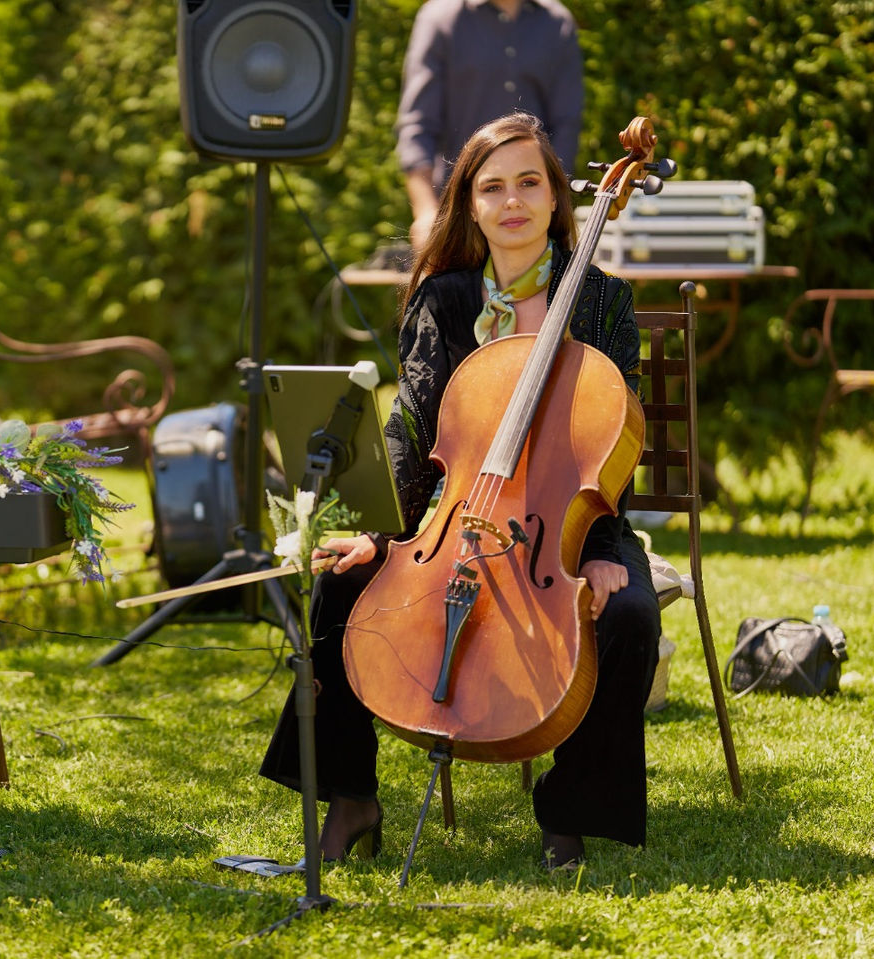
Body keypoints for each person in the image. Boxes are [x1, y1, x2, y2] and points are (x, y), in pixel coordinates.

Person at [260, 111, 660, 869]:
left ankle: (569, 809)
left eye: (529, 183)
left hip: (571, 525)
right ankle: (352, 798)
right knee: (341, 585)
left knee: (630, 613)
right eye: (493, 186)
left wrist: (605, 550)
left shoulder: (604, 302)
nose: (512, 201)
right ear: (470, 205)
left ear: (555, 199)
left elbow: (609, 453)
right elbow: (413, 429)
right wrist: (381, 535)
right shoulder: (444, 300)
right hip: (455, 522)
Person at [396, 0, 583, 252]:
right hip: (461, 218)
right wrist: (425, 211)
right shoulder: (439, 18)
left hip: (534, 219)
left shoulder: (557, 22)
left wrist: (550, 201)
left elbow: (566, 125)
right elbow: (417, 125)